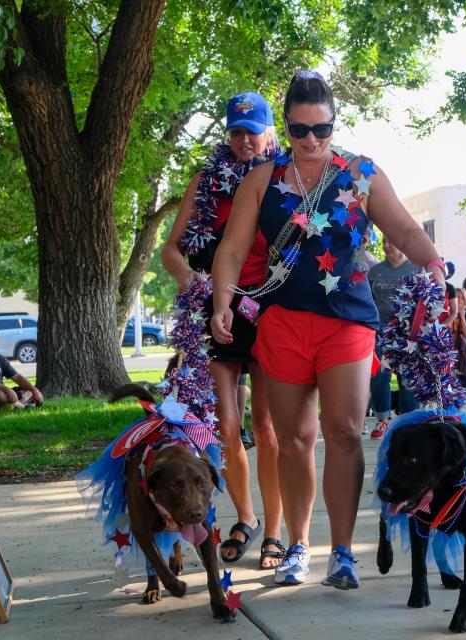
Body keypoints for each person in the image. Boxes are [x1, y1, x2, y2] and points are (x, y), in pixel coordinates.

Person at [210, 71, 445, 590]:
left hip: (347, 324)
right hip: (282, 324)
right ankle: (298, 546)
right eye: (299, 130)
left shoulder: (360, 173)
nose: (312, 140)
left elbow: (403, 227)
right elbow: (231, 248)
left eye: (322, 129)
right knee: (293, 440)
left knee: (342, 433)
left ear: (334, 123)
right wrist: (222, 301)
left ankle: (342, 553)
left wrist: (433, 264)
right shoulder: (263, 179)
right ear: (286, 127)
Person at [161, 91, 284, 570]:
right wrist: (191, 278)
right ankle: (247, 517)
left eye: (252, 131)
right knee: (227, 427)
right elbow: (172, 249)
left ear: (270, 132)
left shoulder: (283, 178)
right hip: (215, 311)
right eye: (236, 130)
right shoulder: (204, 180)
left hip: (268, 311)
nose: (244, 139)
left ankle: (275, 530)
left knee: (268, 429)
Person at [367, 236, 419, 439]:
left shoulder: (415, 269)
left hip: (407, 332)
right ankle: (383, 420)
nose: (387, 246)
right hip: (380, 331)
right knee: (379, 375)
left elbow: (423, 302)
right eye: (384, 243)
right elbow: (368, 301)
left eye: (391, 241)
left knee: (407, 378)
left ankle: (408, 421)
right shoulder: (375, 271)